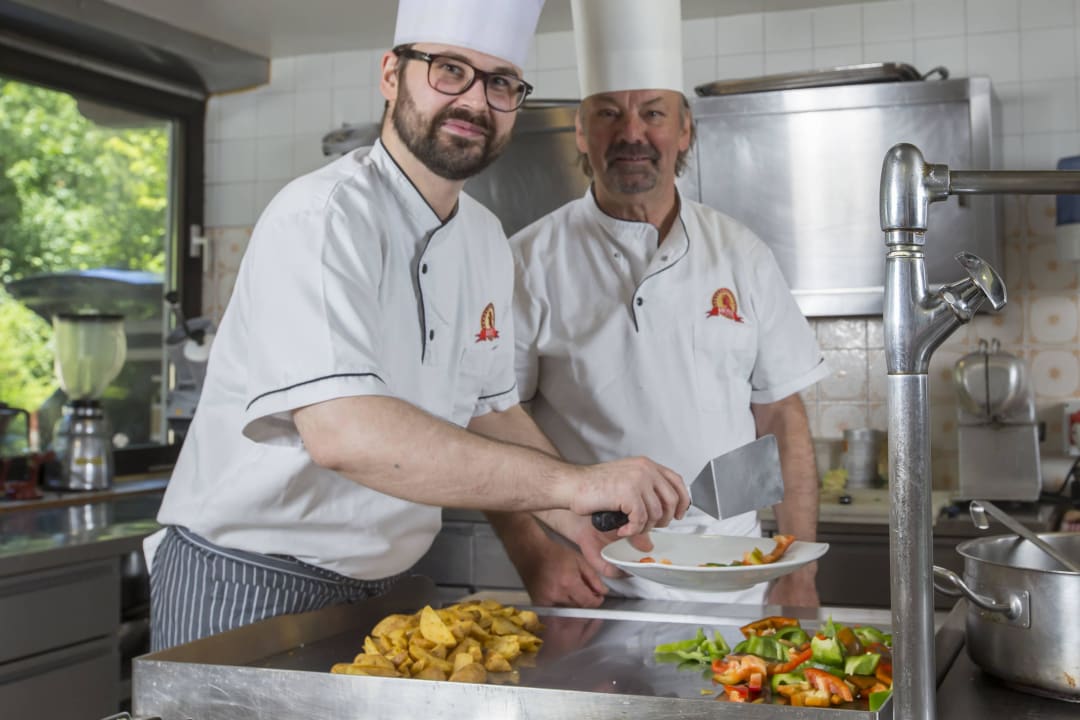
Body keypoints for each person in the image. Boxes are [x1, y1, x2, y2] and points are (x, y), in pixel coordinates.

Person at [146, 0, 690, 652]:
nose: (475, 101)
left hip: (390, 589)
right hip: (250, 581)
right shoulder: (321, 216)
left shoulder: (485, 239)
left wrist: (572, 516)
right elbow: (345, 433)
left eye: (501, 83)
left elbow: (490, 408)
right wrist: (573, 484)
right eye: (449, 70)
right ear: (390, 74)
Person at [492, 0, 829, 608]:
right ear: (580, 130)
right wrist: (535, 554)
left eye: (653, 112)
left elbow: (781, 417)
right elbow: (491, 422)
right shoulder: (525, 262)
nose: (632, 134)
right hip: (594, 579)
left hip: (735, 574)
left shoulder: (740, 252)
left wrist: (797, 563)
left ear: (685, 130)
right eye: (608, 113)